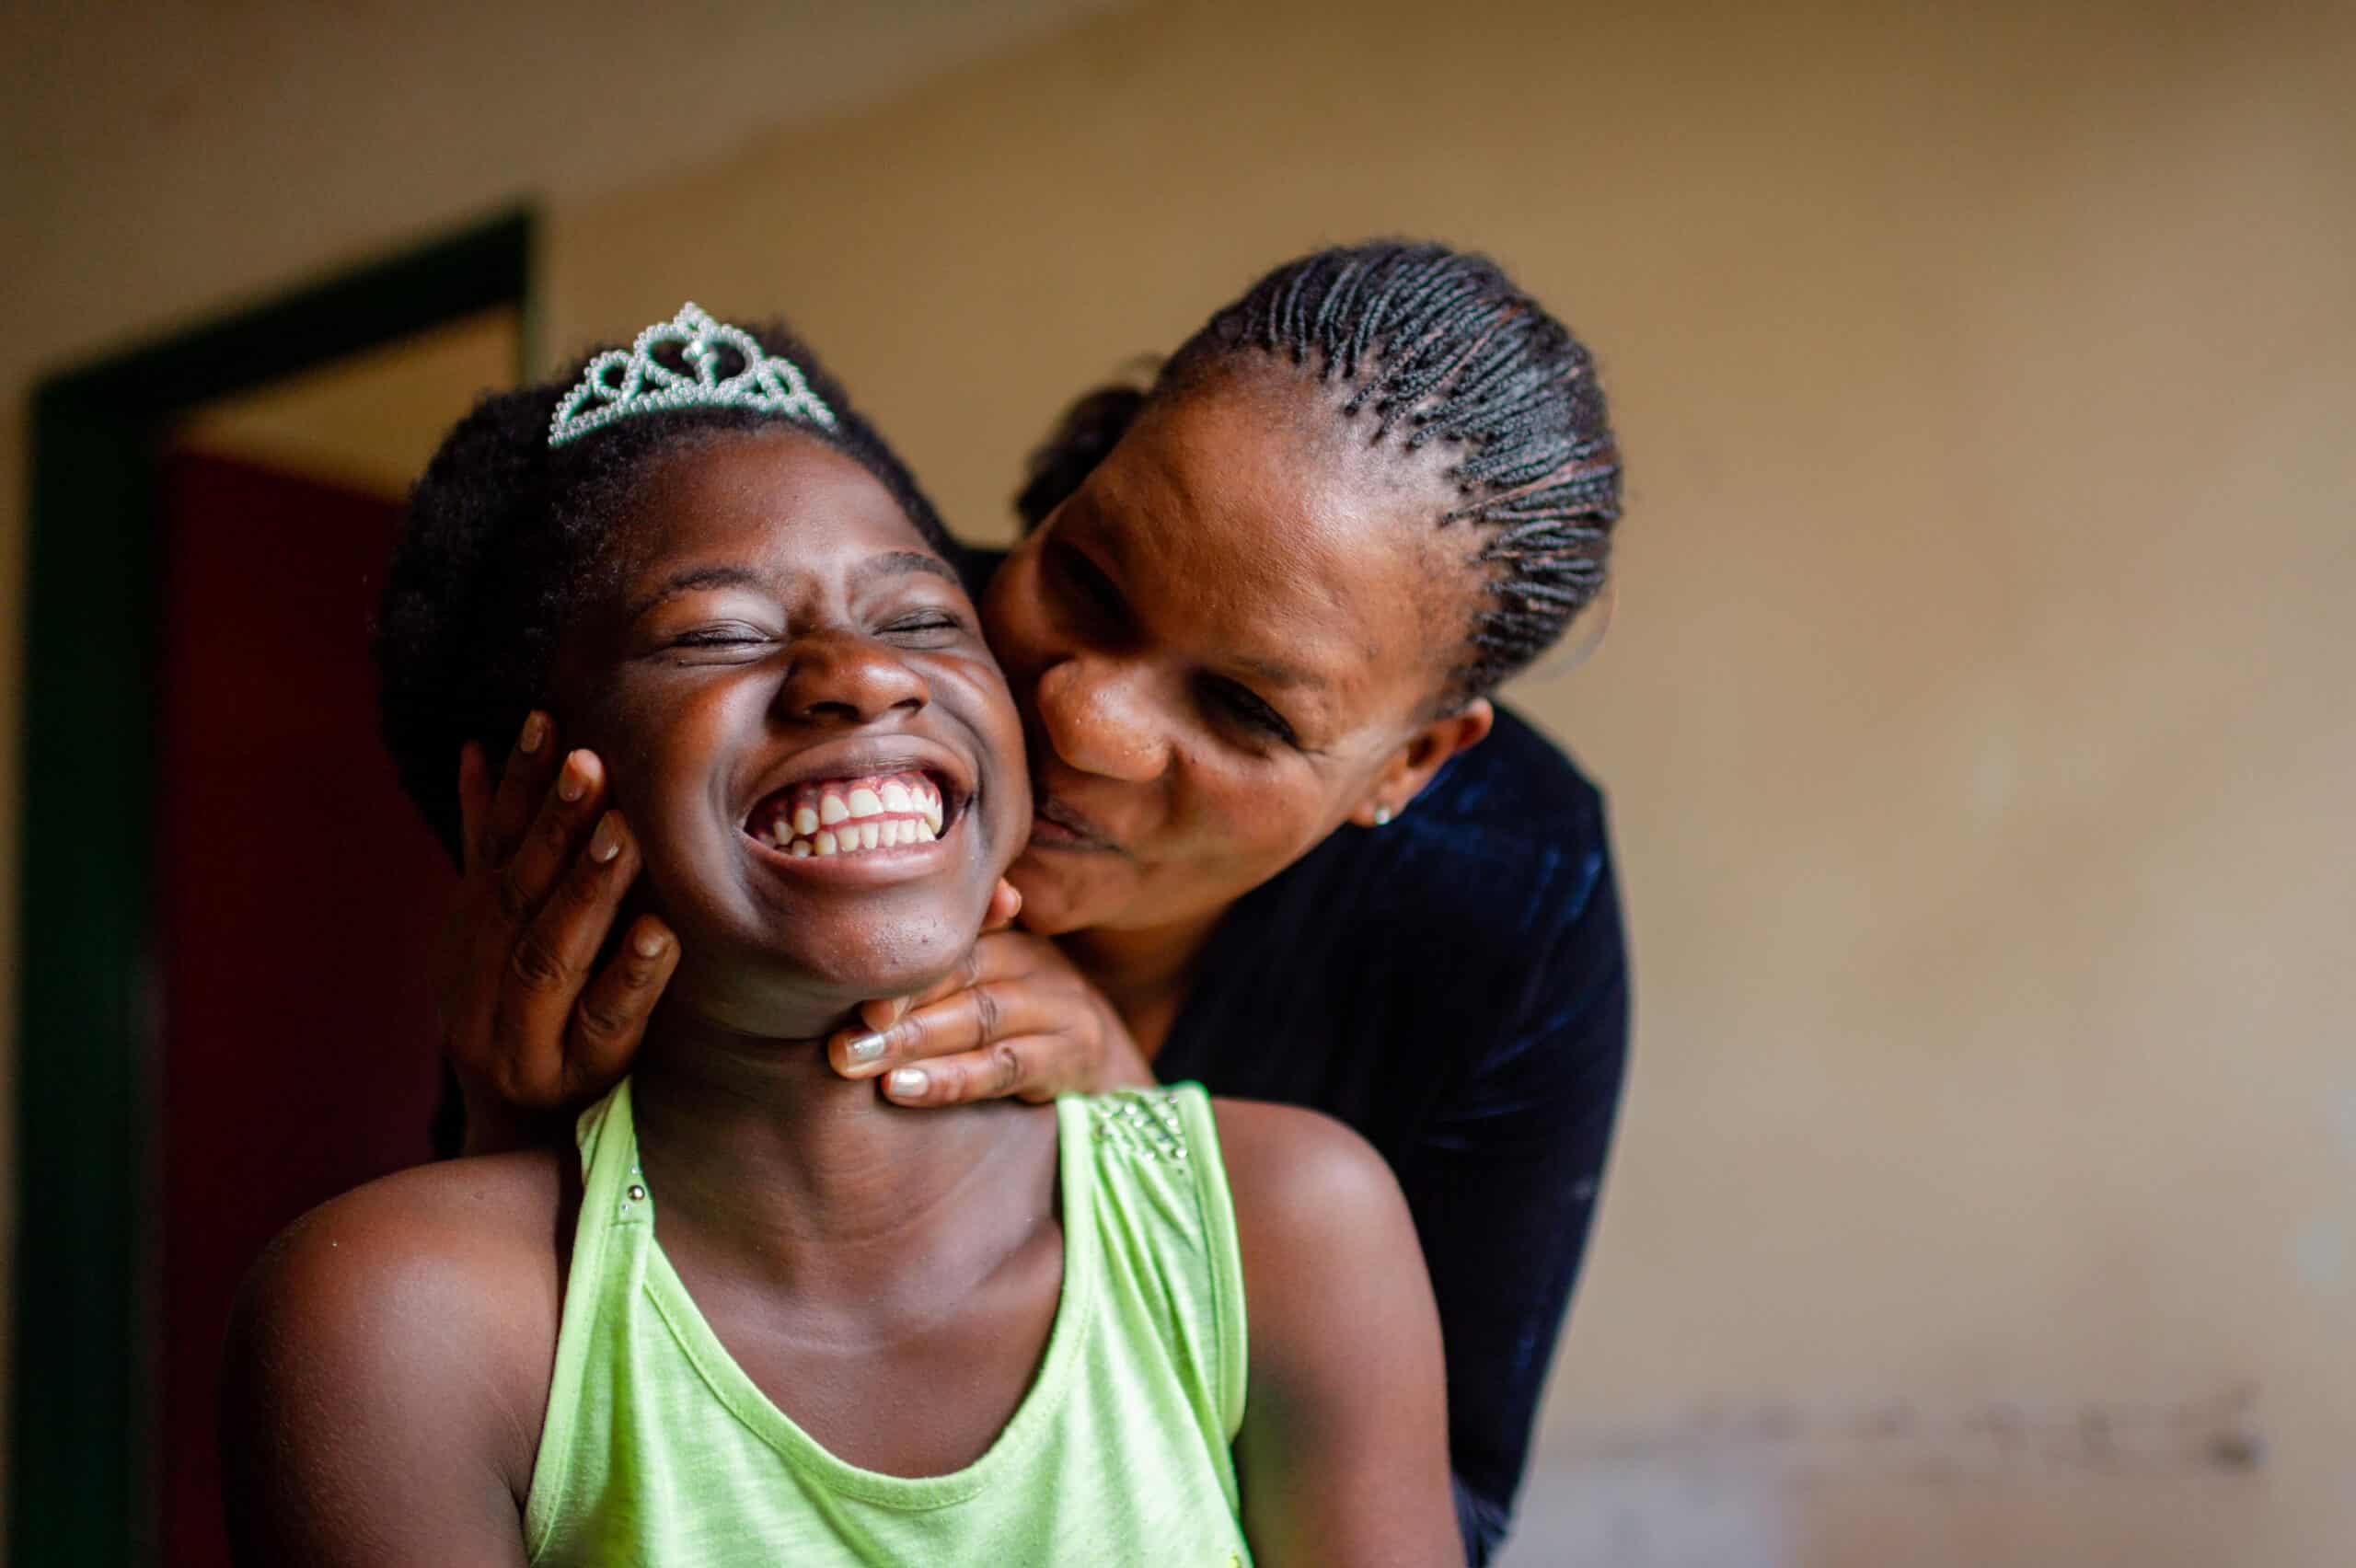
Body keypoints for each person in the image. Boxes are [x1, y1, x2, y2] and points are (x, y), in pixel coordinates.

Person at [441, 243, 1629, 1562]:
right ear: (1071, 487)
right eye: (1089, 580)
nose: (1081, 715)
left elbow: (1437, 1486)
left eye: (1242, 710)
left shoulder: (1513, 900)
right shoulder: (848, 685)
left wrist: (1142, 1138)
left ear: (1408, 764)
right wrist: (516, 1137)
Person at [220, 308, 1461, 1566]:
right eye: (714, 633)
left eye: (923, 619)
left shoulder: (1286, 1225)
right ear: (518, 808)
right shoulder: (403, 1323)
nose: (862, 675)